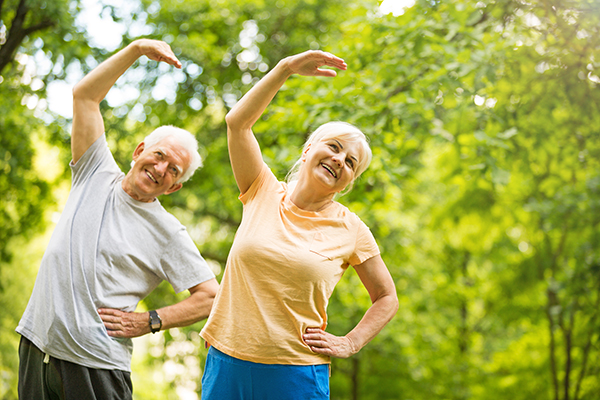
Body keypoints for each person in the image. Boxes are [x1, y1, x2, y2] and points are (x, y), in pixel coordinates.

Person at [16, 39, 219, 399]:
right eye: (158, 156)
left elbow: (209, 296)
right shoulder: (95, 171)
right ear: (140, 151)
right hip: (36, 345)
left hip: (97, 366)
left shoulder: (168, 231)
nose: (160, 169)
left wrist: (150, 321)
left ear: (175, 187)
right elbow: (85, 96)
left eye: (173, 170)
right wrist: (137, 49)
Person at [199, 50, 399, 399]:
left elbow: (386, 297)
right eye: (333, 147)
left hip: (295, 375)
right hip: (227, 363)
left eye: (350, 162)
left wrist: (350, 342)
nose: (339, 160)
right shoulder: (261, 189)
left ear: (348, 181)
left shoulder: (351, 229)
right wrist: (286, 68)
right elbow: (237, 123)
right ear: (308, 150)